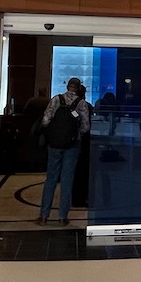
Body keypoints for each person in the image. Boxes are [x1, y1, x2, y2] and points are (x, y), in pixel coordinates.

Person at [37, 78, 92, 225]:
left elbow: (45, 120)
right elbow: (85, 127)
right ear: (79, 88)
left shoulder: (56, 99)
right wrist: (74, 134)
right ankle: (62, 217)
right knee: (67, 180)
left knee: (51, 179)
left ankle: (43, 216)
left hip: (54, 144)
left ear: (67, 86)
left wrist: (55, 132)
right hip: (73, 145)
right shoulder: (81, 103)